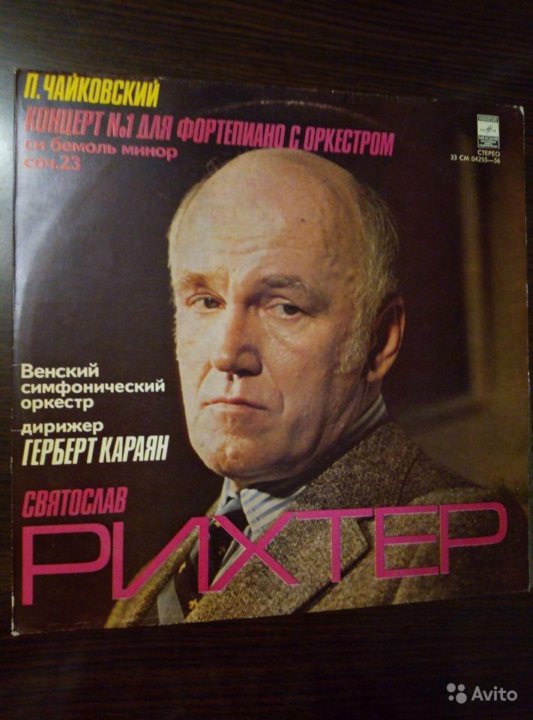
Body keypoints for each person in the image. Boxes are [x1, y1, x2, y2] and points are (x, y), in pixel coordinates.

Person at [107, 149, 527, 627]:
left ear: (378, 340)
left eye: (285, 307)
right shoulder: (147, 587)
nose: (226, 354)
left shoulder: (447, 540)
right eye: (205, 301)